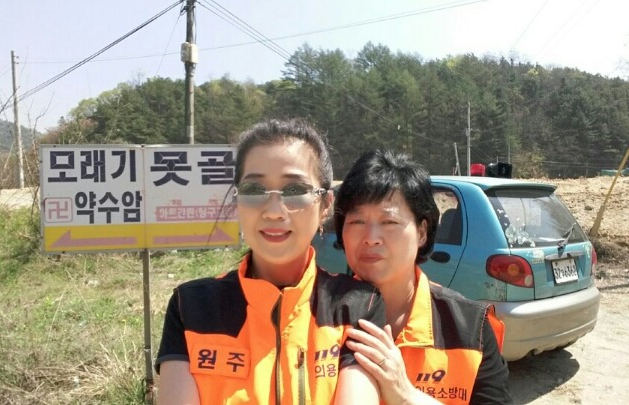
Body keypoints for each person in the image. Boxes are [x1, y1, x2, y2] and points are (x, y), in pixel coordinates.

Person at [155, 119, 385, 404]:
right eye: (254, 190)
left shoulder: (360, 306)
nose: (274, 211)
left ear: (325, 205)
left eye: (294, 190)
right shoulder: (191, 307)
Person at [334, 149, 513, 404]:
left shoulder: (470, 328)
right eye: (357, 221)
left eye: (389, 222)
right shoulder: (313, 315)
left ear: (422, 232)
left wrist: (406, 395)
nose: (371, 238)